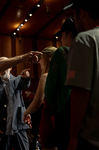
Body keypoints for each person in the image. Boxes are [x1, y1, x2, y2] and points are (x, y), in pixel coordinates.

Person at [63, 0, 99, 149]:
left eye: (74, 15)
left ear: (82, 13)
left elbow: (80, 92)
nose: (75, 20)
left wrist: (73, 137)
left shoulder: (84, 39)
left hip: (91, 138)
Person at [44, 18, 77, 150]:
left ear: (69, 34)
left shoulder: (62, 52)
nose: (60, 39)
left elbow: (50, 90)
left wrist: (56, 105)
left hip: (66, 110)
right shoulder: (90, 49)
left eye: (61, 35)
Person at [0, 56, 31, 150]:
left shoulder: (17, 80)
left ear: (10, 67)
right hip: (1, 129)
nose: (2, 70)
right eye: (0, 67)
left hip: (19, 127)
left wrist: (26, 77)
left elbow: (25, 84)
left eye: (5, 66)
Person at [23, 46, 57, 150]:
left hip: (49, 120)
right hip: (62, 120)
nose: (39, 62)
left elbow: (37, 103)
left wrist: (25, 113)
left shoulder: (46, 77)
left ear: (48, 58)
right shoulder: (62, 75)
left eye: (41, 58)